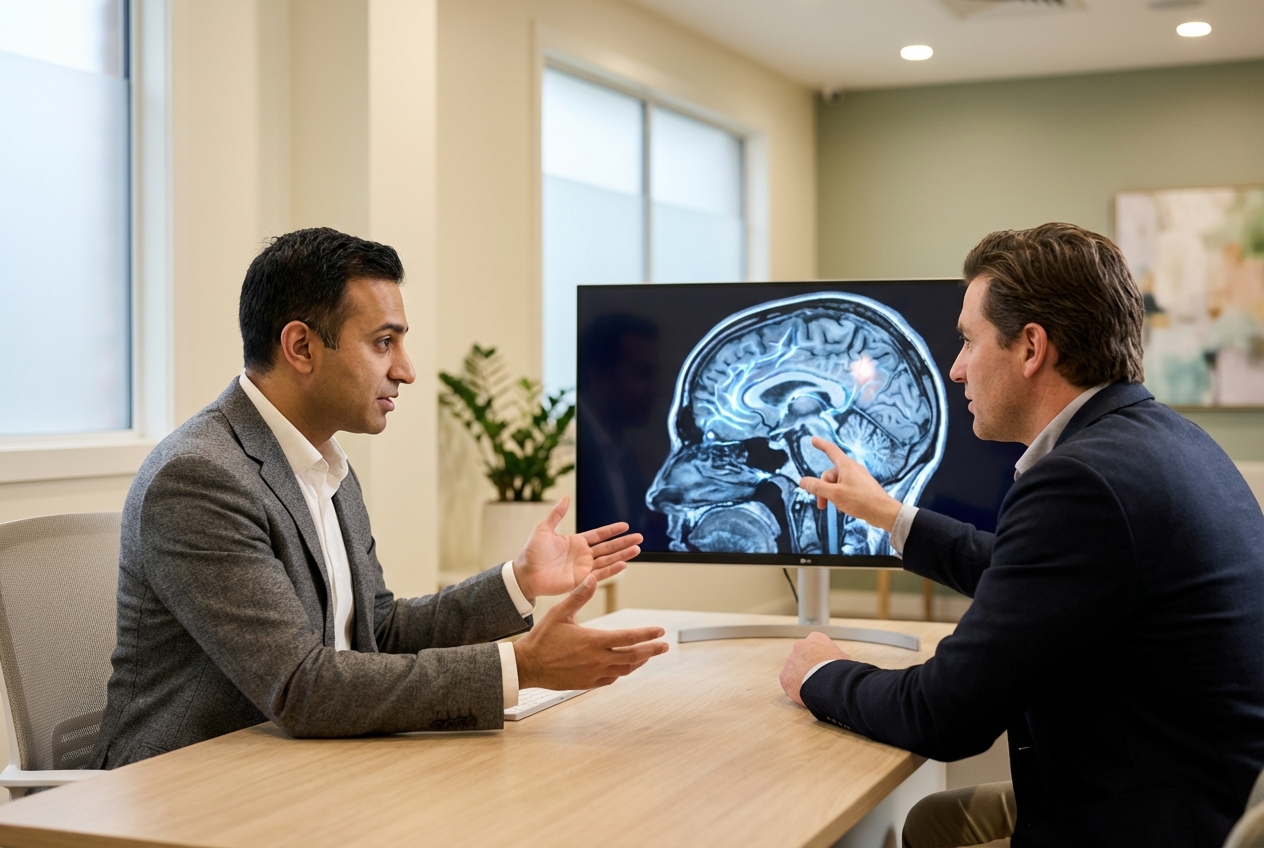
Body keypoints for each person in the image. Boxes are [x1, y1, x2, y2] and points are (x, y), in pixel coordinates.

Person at [90, 228, 668, 768]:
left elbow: (378, 632)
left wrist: (517, 581)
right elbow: (302, 688)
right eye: (383, 342)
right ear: (301, 346)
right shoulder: (200, 478)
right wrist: (525, 665)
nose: (407, 370)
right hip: (192, 785)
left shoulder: (324, 463)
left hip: (298, 765)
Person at [778, 223, 1264, 847]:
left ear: (1031, 348)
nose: (954, 370)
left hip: (1152, 822)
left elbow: (944, 713)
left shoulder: (1080, 480)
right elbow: (1036, 583)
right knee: (931, 824)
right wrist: (889, 514)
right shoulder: (1164, 439)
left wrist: (821, 676)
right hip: (1200, 790)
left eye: (968, 342)